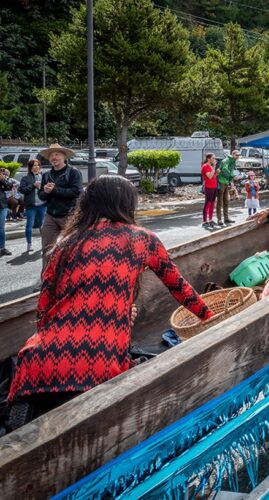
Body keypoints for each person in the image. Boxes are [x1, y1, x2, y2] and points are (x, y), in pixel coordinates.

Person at [4, 175, 212, 430]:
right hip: (100, 361)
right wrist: (209, 317)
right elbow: (179, 288)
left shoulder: (66, 242)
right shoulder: (142, 239)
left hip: (39, 359)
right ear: (126, 205)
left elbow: (44, 305)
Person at [38, 143, 83, 269]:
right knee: (47, 249)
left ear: (64, 156)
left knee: (71, 249)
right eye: (51, 155)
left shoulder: (73, 172)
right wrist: (45, 192)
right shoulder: (46, 175)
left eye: (57, 154)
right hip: (50, 215)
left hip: (69, 216)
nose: (54, 157)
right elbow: (41, 196)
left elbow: (76, 192)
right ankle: (47, 279)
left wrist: (54, 190)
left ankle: (72, 277)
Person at [18, 159, 47, 253]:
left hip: (42, 205)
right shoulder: (25, 178)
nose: (36, 167)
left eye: (38, 165)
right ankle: (29, 244)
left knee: (42, 225)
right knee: (29, 225)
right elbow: (22, 190)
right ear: (30, 168)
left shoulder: (43, 177)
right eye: (34, 165)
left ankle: (44, 243)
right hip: (31, 206)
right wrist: (33, 186)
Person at [216, 150, 238, 225]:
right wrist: (232, 176)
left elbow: (230, 171)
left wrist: (231, 181)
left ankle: (226, 218)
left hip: (226, 182)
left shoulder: (233, 161)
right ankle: (219, 219)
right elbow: (225, 169)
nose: (238, 157)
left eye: (238, 155)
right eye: (236, 155)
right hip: (222, 182)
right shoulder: (227, 160)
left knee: (226, 201)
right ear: (232, 154)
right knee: (220, 202)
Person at [201, 153, 219, 228]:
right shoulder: (205, 166)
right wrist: (214, 167)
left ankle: (210, 219)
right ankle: (204, 221)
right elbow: (209, 176)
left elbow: (213, 176)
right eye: (213, 158)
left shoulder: (210, 166)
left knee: (212, 203)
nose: (214, 159)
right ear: (209, 159)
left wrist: (216, 173)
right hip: (208, 187)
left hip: (214, 187)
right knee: (207, 203)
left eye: (214, 158)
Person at [0, 168, 13, 256]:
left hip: (2, 205)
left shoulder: (2, 178)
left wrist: (3, 179)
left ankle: (2, 247)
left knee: (1, 228)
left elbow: (8, 187)